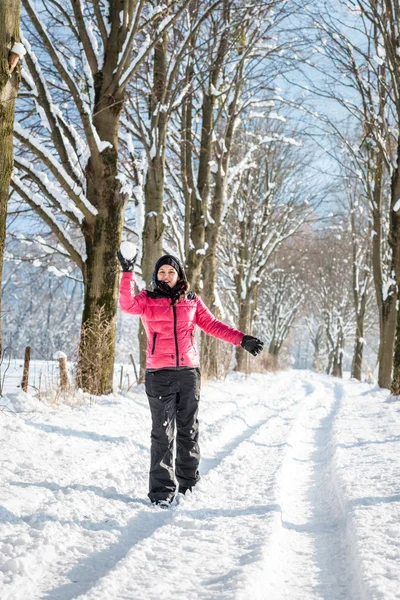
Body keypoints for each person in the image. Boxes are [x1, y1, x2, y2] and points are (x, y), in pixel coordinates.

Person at [117, 250, 263, 508]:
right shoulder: (146, 299)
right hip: (159, 374)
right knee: (162, 433)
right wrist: (127, 273)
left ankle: (188, 484)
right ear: (155, 275)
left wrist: (242, 339)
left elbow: (213, 325)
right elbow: (126, 305)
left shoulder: (191, 300)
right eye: (161, 271)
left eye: (171, 271)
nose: (166, 276)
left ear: (179, 275)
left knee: (188, 430)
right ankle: (161, 492)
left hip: (188, 374)